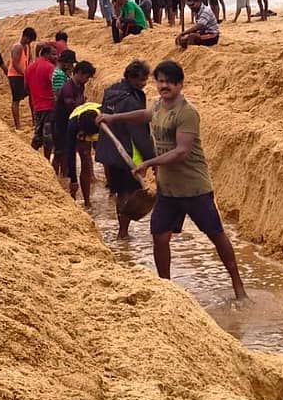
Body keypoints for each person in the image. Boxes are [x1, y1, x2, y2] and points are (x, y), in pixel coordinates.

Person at [97, 60, 247, 299]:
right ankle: (166, 289)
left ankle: (239, 288)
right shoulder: (158, 106)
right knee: (159, 236)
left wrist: (148, 163)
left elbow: (181, 151)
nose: (163, 86)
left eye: (168, 82)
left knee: (216, 235)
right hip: (167, 190)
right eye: (160, 81)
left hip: (193, 188)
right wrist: (113, 118)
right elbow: (144, 115)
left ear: (179, 84)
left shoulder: (187, 112)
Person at [95, 60, 156, 238]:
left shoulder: (111, 91)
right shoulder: (131, 100)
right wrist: (150, 157)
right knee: (128, 192)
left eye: (145, 80)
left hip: (109, 150)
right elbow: (138, 132)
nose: (143, 84)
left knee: (120, 191)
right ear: (130, 77)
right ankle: (123, 232)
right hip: (126, 153)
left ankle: (122, 231)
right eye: (141, 80)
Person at [54, 59, 95, 181]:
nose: (87, 80)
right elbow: (71, 107)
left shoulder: (80, 85)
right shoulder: (67, 88)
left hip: (72, 122)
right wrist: (82, 103)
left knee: (74, 152)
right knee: (60, 153)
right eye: (86, 77)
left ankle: (66, 177)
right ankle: (55, 178)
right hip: (61, 123)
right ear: (79, 73)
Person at [24, 43, 57, 159]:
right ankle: (46, 160)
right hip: (49, 105)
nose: (56, 57)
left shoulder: (29, 68)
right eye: (53, 54)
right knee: (48, 136)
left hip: (37, 105)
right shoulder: (50, 67)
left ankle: (30, 158)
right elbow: (56, 86)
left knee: (38, 134)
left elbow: (26, 88)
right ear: (46, 54)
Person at [65, 103, 100, 207]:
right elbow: (70, 153)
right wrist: (73, 180)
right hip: (82, 130)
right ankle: (87, 202)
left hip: (100, 124)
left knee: (107, 158)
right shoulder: (73, 125)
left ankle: (113, 189)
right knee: (85, 160)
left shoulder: (107, 115)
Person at [7, 26, 37, 129]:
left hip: (24, 75)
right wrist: (25, 74)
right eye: (29, 40)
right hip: (15, 76)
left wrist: (30, 72)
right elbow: (15, 64)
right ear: (25, 37)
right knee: (16, 100)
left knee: (32, 97)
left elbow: (30, 60)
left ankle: (34, 120)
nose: (30, 42)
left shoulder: (27, 47)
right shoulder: (17, 47)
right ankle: (18, 125)